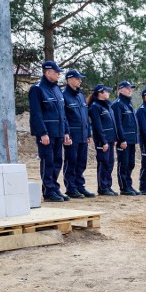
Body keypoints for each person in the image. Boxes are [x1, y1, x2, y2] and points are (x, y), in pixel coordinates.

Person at [28, 60, 71, 202]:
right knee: (48, 161)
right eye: (56, 72)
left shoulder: (57, 89)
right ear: (48, 72)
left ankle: (55, 188)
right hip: (47, 133)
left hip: (58, 132)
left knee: (58, 161)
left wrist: (66, 132)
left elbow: (62, 113)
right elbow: (36, 114)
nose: (59, 74)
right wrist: (42, 133)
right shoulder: (37, 89)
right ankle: (48, 190)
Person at [62, 69, 93, 199]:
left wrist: (89, 132)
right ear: (69, 79)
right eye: (77, 78)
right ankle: (71, 187)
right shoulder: (64, 95)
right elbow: (63, 117)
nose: (80, 80)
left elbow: (85, 116)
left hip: (83, 135)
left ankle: (80, 186)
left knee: (82, 162)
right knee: (71, 161)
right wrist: (65, 133)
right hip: (72, 135)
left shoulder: (80, 96)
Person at [87, 85, 118, 196]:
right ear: (100, 93)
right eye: (106, 91)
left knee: (110, 163)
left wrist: (114, 138)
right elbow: (97, 126)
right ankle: (102, 187)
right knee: (103, 162)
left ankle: (108, 186)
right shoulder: (95, 107)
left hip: (110, 139)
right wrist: (103, 141)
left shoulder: (107, 106)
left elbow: (112, 123)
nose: (108, 93)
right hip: (102, 140)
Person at [111, 81, 140, 196]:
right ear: (120, 90)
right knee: (123, 164)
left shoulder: (129, 104)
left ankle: (129, 185)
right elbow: (118, 124)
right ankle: (124, 187)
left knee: (131, 163)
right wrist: (121, 139)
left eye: (131, 88)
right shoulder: (117, 104)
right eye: (127, 88)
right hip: (124, 140)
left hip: (132, 139)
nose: (130, 90)